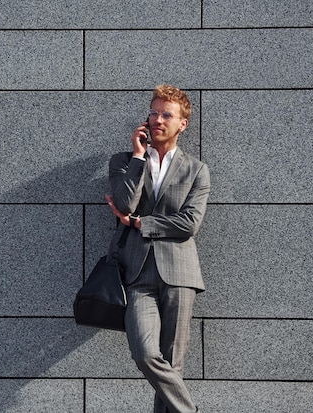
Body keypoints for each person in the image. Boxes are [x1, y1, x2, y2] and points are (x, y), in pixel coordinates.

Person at [105, 84, 209, 413]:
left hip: (180, 273)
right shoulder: (123, 162)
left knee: (173, 365)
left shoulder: (196, 170)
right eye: (153, 112)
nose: (158, 119)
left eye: (167, 114)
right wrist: (138, 157)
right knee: (146, 354)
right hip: (136, 273)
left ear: (183, 124)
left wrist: (138, 223)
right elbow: (123, 202)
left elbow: (189, 224)